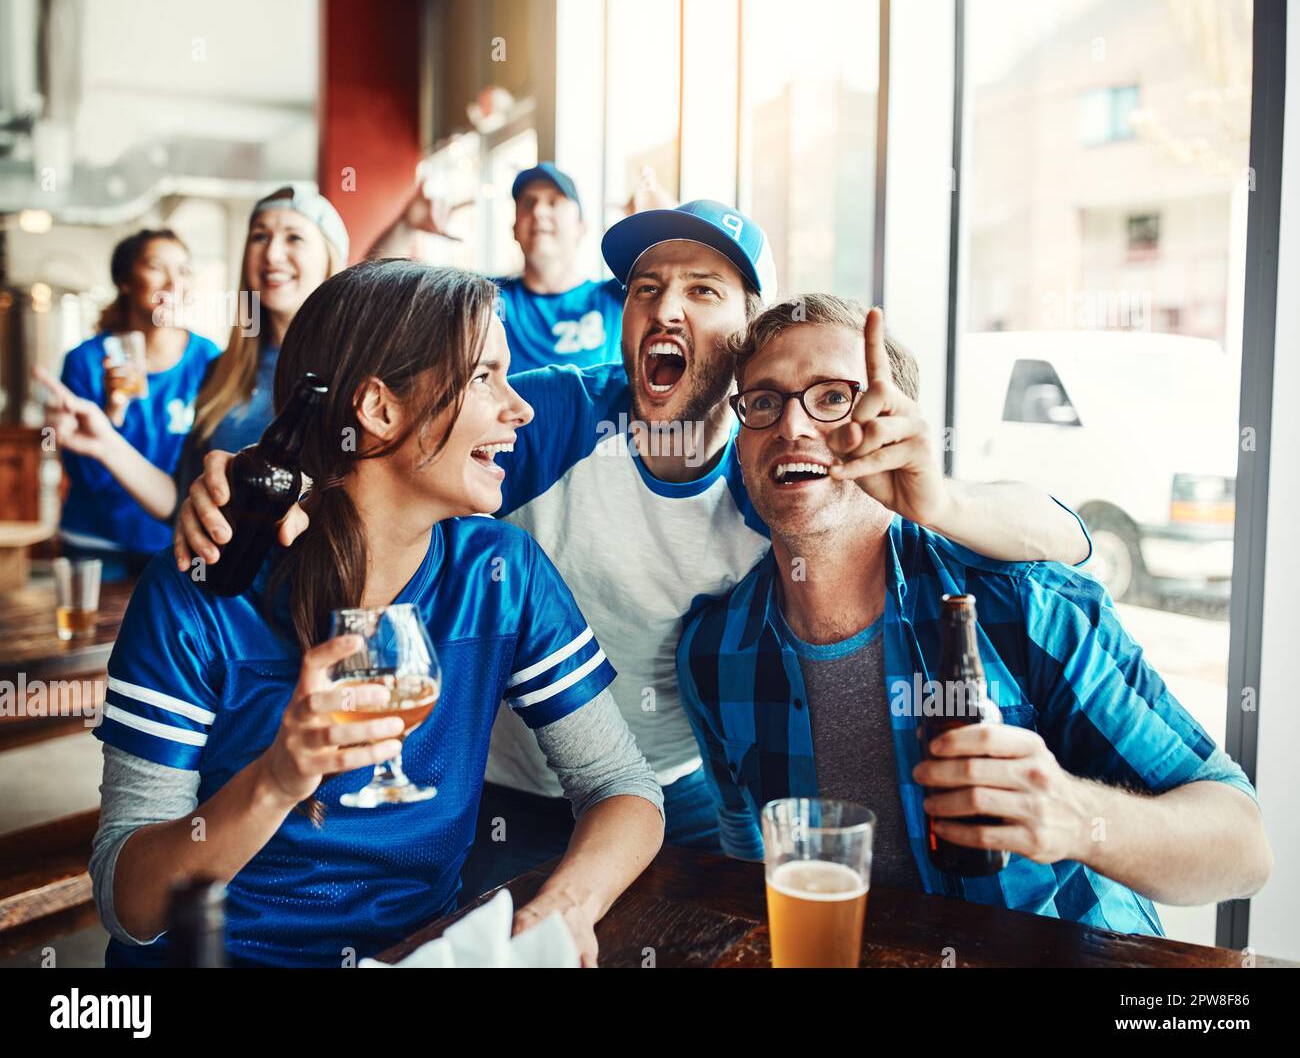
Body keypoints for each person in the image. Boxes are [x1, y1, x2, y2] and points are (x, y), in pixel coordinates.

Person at [173, 200, 1092, 900]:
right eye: (646, 288)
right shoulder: (561, 414)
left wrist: (947, 501)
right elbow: (392, 437)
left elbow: (1064, 535)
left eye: (702, 291)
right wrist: (250, 472)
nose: (664, 309)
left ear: (750, 331)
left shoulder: (778, 461)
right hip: (494, 783)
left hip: (673, 789)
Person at [89, 259, 663, 968]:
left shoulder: (500, 573)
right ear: (380, 409)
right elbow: (129, 904)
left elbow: (622, 785)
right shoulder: (201, 588)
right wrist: (274, 782)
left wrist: (565, 903)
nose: (519, 409)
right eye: (484, 377)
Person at [676, 293, 1272, 933]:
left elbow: (1243, 848)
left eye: (833, 397)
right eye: (764, 402)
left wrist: (1077, 818)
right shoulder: (713, 650)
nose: (792, 427)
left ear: (896, 426)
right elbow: (746, 840)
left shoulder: (1021, 606)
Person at [36, 185, 348, 553]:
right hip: (214, 590)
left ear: (331, 259)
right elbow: (179, 498)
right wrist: (106, 440)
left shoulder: (352, 368)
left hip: (307, 592)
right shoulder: (223, 370)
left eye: (294, 237)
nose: (272, 253)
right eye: (259, 236)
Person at [37, 229, 220, 580]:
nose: (172, 281)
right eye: (156, 267)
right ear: (124, 280)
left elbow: (209, 462)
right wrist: (113, 413)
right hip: (96, 542)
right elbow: (87, 478)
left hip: (175, 544)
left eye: (183, 270)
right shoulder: (86, 361)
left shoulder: (210, 361)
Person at [370, 162, 674, 373]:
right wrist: (407, 224)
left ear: (582, 227)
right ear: (515, 229)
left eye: (554, 202)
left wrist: (663, 218)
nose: (539, 211)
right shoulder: (485, 297)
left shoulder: (617, 298)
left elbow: (683, 276)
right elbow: (375, 291)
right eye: (528, 203)